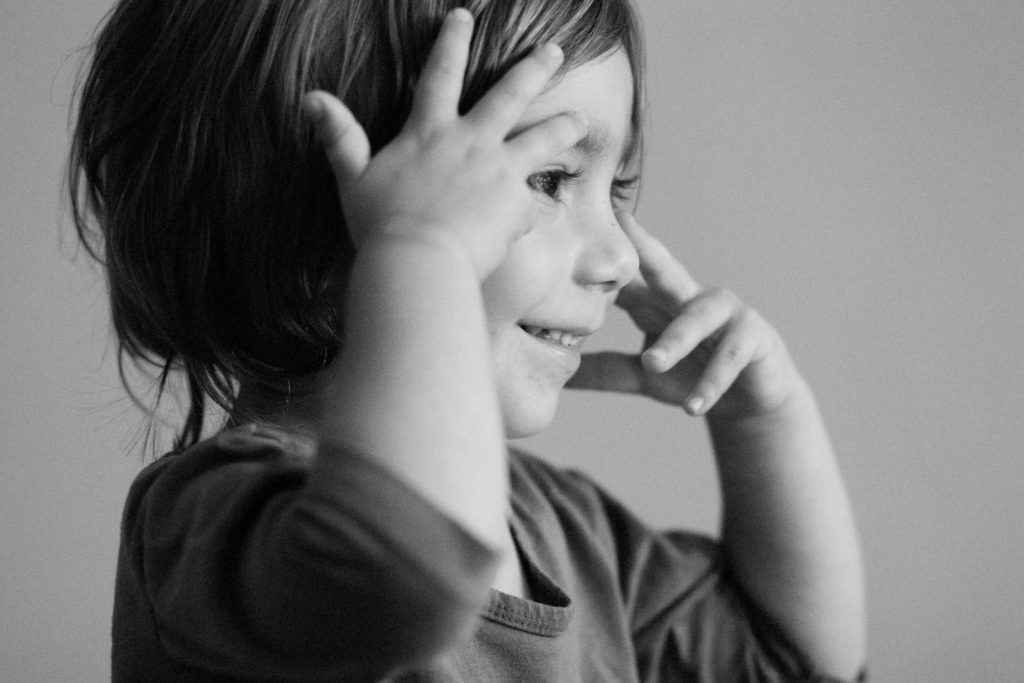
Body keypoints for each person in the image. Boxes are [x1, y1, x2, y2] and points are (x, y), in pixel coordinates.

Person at [69, 0, 867, 680]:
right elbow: (402, 574)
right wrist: (422, 249)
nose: (621, 258)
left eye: (615, 186)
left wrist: (763, 416)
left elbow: (788, 661)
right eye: (550, 179)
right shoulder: (215, 518)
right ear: (318, 210)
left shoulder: (571, 532)